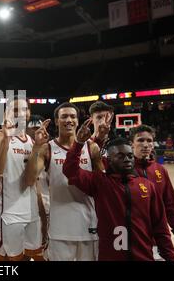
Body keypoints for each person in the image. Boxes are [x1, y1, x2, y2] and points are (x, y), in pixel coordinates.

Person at [63, 121, 174, 261]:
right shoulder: (99, 182)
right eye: (120, 156)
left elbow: (161, 228)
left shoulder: (148, 186)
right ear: (109, 160)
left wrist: (171, 257)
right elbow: (70, 170)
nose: (127, 159)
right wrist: (79, 143)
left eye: (129, 156)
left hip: (143, 257)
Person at [24, 103, 104, 261]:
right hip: (59, 228)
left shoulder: (91, 148)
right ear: (56, 120)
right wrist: (36, 147)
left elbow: (103, 186)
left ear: (78, 121)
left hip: (89, 226)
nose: (69, 120)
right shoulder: (48, 149)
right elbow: (29, 179)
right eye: (64, 116)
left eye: (73, 116)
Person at [0, 97, 43, 261]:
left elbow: (34, 183)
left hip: (31, 212)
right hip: (8, 213)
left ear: (29, 114)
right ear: (7, 113)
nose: (20, 113)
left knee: (27, 257)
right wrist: (6, 140)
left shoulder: (33, 142)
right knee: (4, 260)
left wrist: (41, 214)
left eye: (24, 110)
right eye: (15, 110)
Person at [128, 125, 174, 260]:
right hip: (131, 241)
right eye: (140, 140)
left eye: (149, 141)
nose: (145, 144)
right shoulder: (122, 168)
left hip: (160, 241)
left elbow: (171, 206)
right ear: (131, 144)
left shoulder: (160, 170)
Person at [26, 115, 50, 260]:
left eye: (42, 128)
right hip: (24, 211)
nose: (40, 131)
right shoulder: (16, 148)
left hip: (47, 211)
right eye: (35, 128)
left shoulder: (50, 149)